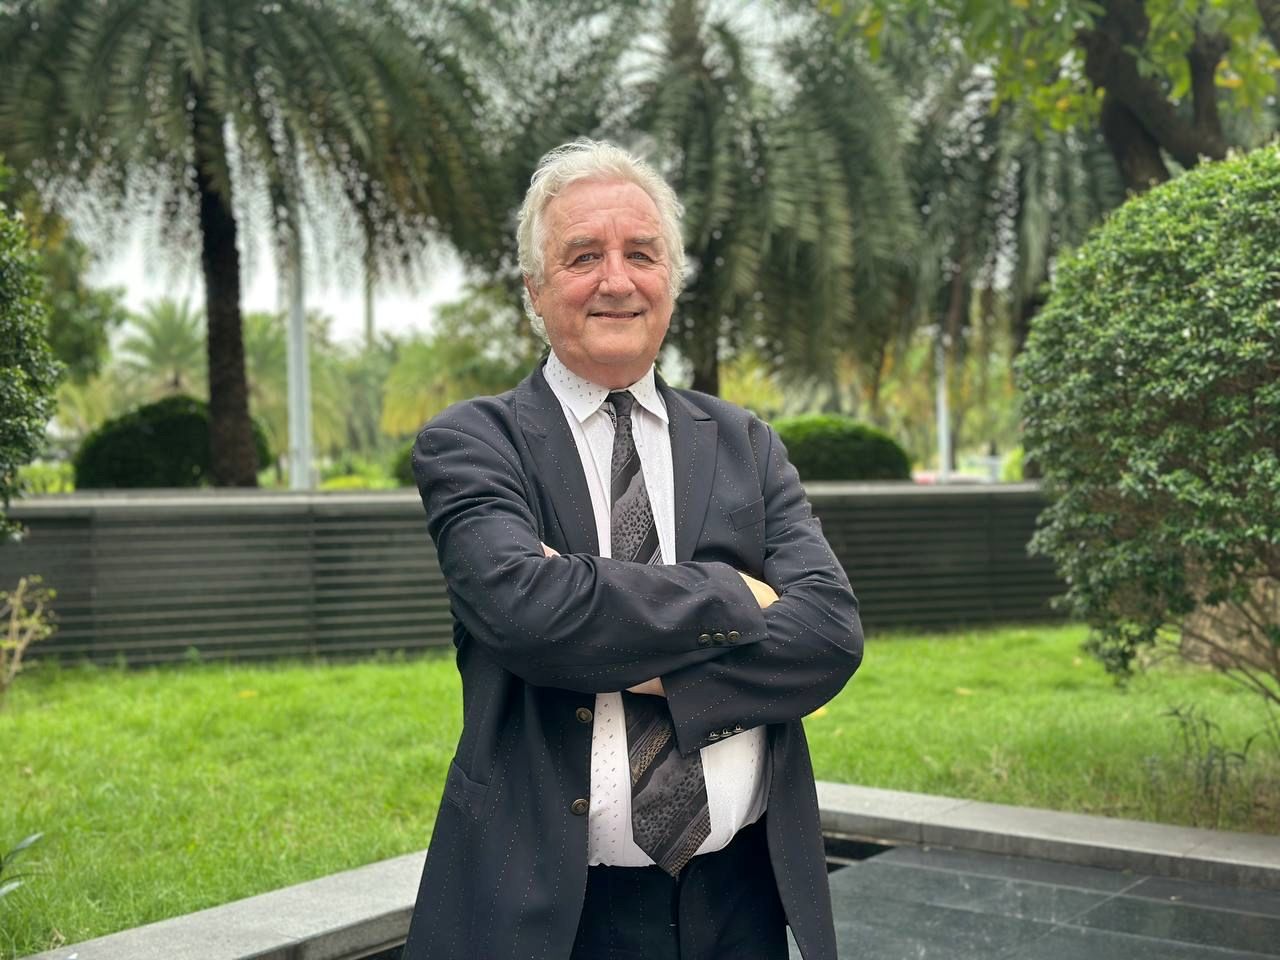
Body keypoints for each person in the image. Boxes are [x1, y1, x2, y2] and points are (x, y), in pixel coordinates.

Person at [402, 139, 863, 960]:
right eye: (584, 256)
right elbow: (528, 616)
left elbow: (828, 635)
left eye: (641, 254)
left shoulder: (744, 443)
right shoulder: (473, 443)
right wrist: (735, 596)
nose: (616, 280)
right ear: (534, 288)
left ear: (670, 281)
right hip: (553, 913)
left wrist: (593, 616)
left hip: (743, 901)